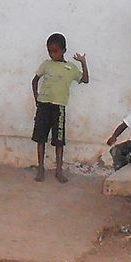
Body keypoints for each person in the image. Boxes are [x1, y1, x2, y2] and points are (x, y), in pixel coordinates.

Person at [31, 33, 88, 183]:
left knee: (59, 141)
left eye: (55, 51)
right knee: (40, 139)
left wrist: (83, 62)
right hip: (43, 105)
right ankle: (41, 168)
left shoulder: (70, 68)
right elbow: (35, 80)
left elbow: (85, 79)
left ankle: (59, 171)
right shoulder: (46, 64)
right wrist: (36, 97)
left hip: (59, 108)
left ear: (64, 50)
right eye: (49, 51)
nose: (52, 54)